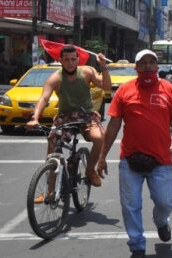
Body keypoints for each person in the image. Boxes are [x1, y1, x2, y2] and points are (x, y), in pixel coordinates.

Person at [98, 49, 172, 258]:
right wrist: (101, 157)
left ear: (157, 67)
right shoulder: (125, 91)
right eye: (143, 63)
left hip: (161, 161)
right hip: (131, 161)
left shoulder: (169, 90)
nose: (148, 66)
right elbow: (113, 126)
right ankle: (137, 246)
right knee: (131, 206)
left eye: (152, 62)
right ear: (136, 67)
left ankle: (161, 221)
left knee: (165, 202)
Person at [25, 45, 110, 189]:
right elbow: (44, 98)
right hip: (65, 116)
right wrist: (35, 118)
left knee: (99, 139)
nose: (70, 62)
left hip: (87, 115)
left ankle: (90, 169)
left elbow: (106, 86)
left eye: (73, 59)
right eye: (66, 60)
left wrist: (103, 67)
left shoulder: (87, 72)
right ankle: (50, 189)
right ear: (61, 60)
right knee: (52, 145)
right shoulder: (55, 78)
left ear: (78, 60)